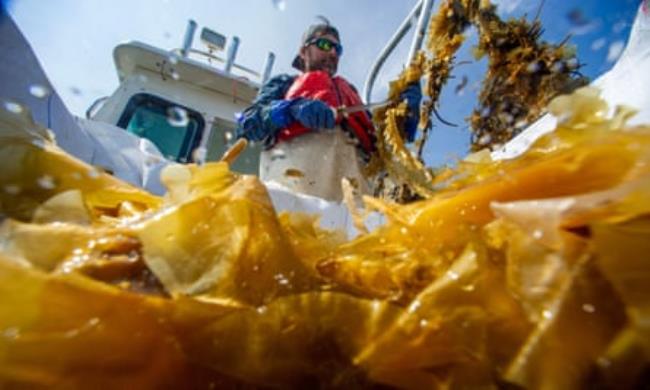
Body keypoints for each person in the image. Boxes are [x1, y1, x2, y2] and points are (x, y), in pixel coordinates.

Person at [236, 20, 421, 202]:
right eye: (325, 44)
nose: (333, 52)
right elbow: (246, 125)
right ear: (303, 51)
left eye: (337, 49)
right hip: (292, 205)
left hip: (354, 215)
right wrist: (291, 109)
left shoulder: (352, 95)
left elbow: (385, 149)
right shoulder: (283, 84)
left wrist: (406, 117)